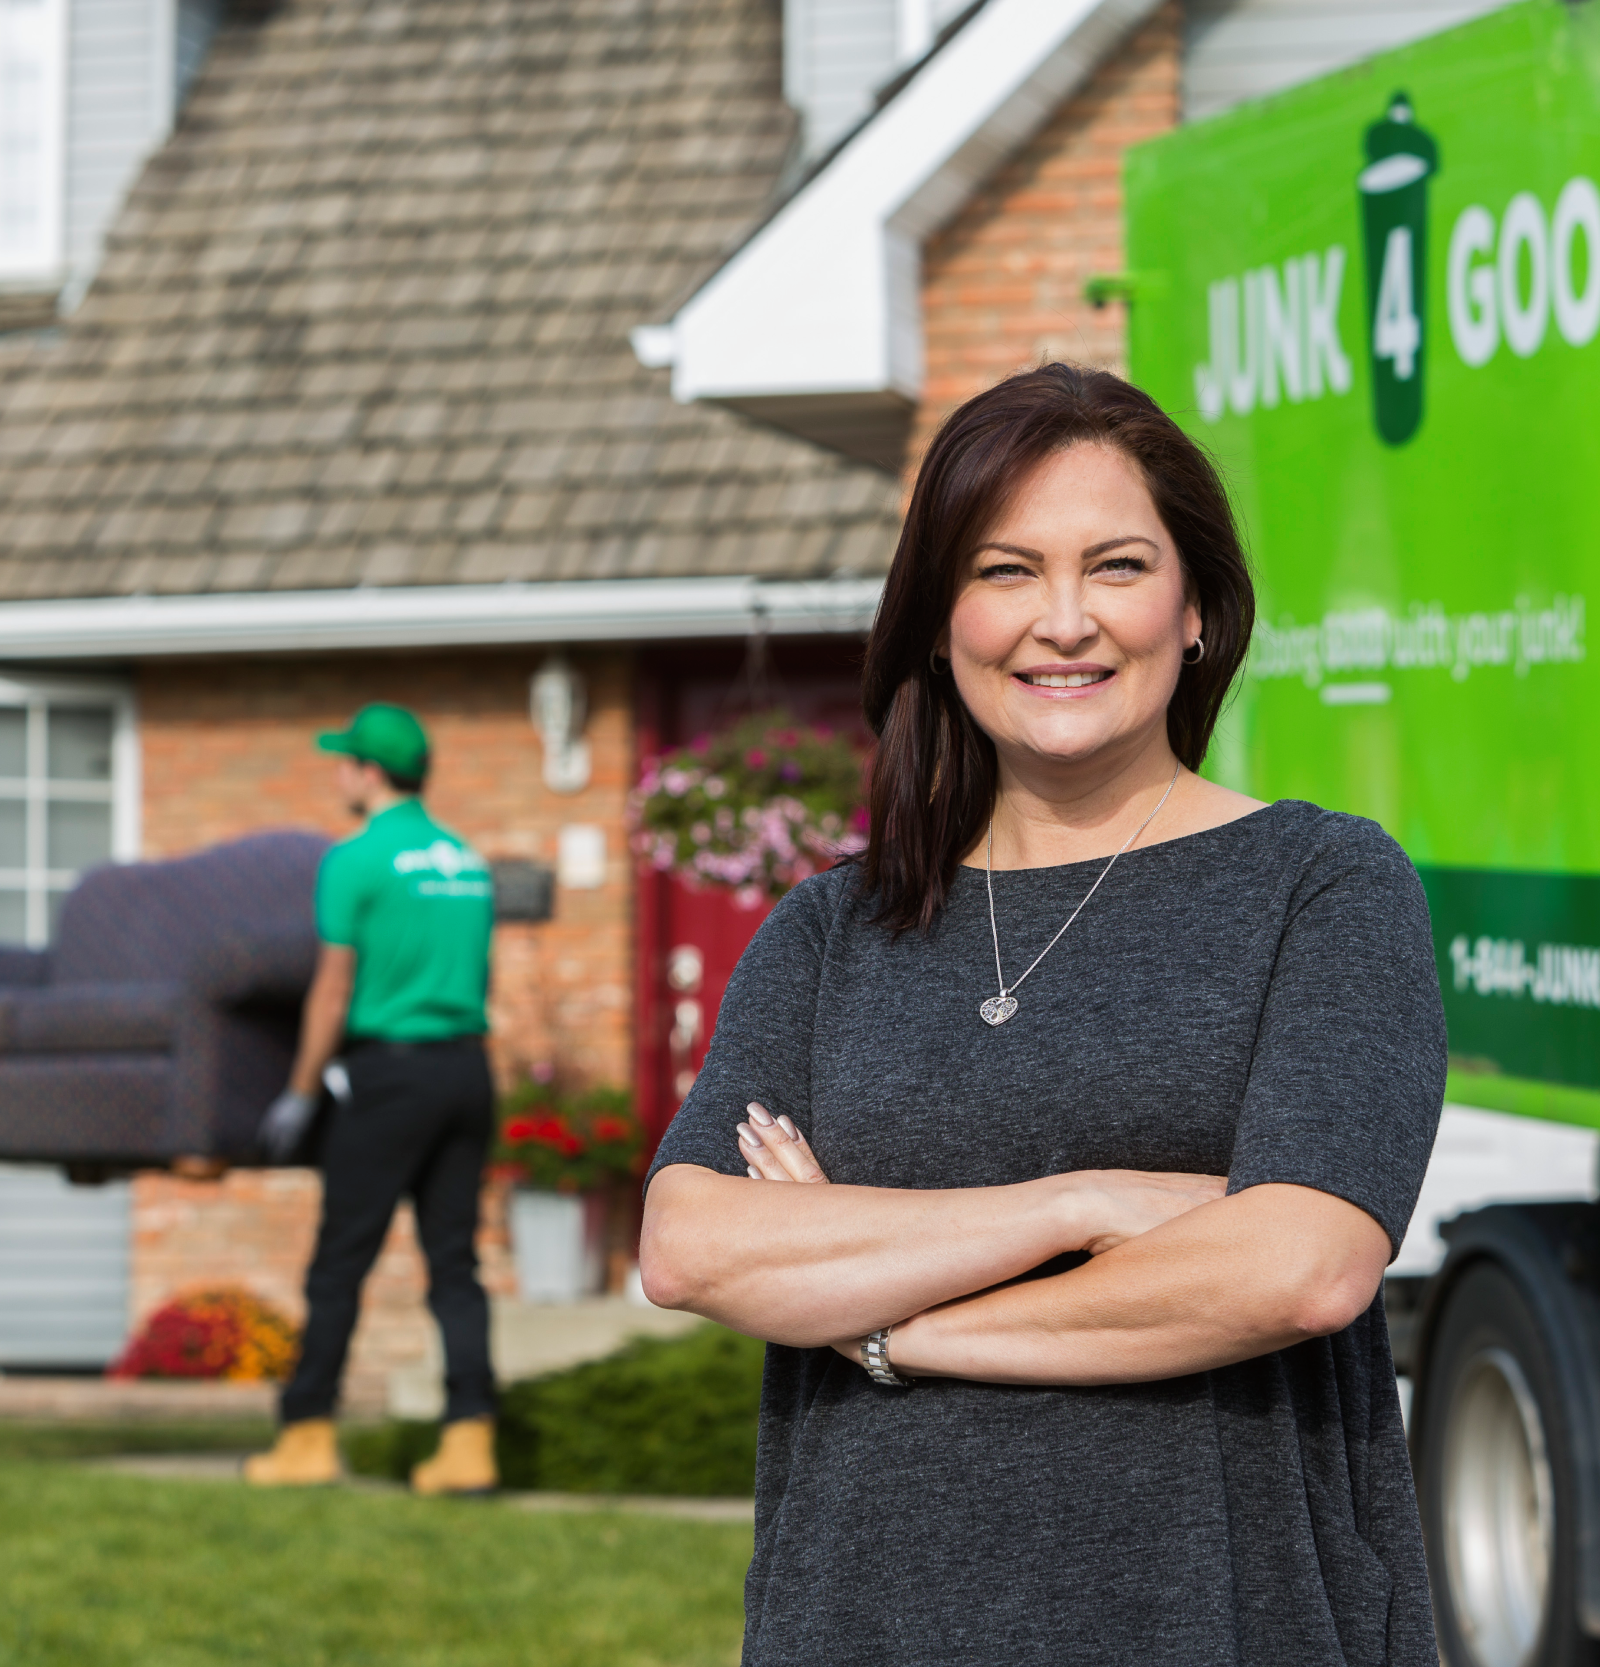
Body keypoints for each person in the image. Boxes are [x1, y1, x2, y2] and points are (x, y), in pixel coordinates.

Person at [638, 364, 1444, 1664]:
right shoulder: (835, 928)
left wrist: (885, 1323)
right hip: (864, 1621)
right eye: (1006, 570)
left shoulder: (1324, 884)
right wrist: (1077, 1204)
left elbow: (1299, 1266)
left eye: (1116, 566)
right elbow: (694, 1246)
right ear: (940, 619)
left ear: (1195, 610)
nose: (1062, 621)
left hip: (1215, 1617)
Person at [243, 702, 501, 1494]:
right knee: (454, 1264)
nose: (337, 773)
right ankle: (470, 1442)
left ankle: (307, 1434)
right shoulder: (467, 861)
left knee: (339, 1262)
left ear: (368, 771)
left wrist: (295, 1092)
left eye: (344, 760)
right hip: (466, 1071)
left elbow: (331, 990)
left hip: (388, 1078)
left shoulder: (354, 860)